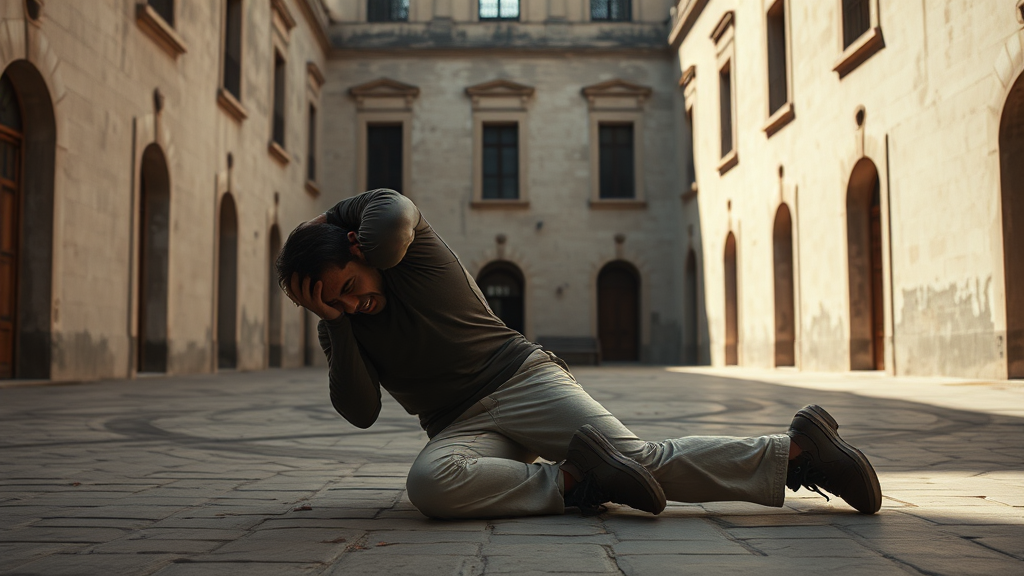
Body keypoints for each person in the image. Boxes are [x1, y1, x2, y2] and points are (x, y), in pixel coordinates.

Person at [277, 188, 882, 519]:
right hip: (457, 426)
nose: (353, 305)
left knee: (642, 458)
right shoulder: (344, 326)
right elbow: (359, 410)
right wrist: (336, 322)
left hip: (522, 381)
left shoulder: (408, 252)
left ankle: (798, 452)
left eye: (351, 288)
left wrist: (326, 219)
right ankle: (573, 480)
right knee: (431, 484)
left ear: (361, 251)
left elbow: (392, 210)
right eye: (332, 304)